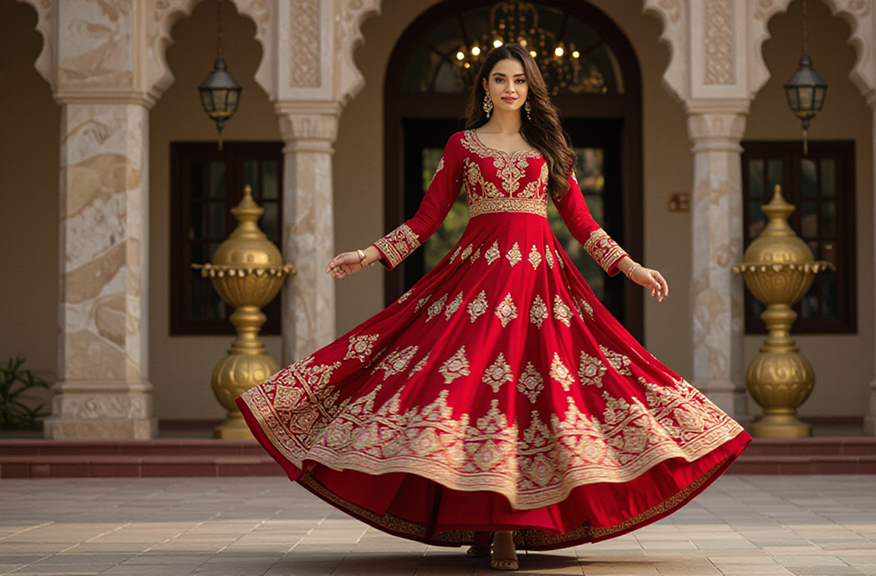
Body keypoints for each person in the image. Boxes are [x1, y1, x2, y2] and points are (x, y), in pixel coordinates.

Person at [238, 43, 751, 572]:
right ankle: (486, 524)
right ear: (484, 86)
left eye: (520, 80)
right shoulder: (462, 145)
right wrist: (369, 255)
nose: (510, 88)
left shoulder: (550, 149)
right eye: (500, 79)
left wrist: (630, 267)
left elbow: (582, 222)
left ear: (530, 90)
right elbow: (427, 217)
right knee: (471, 395)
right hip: (476, 284)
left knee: (536, 395)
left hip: (540, 287)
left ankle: (504, 528)